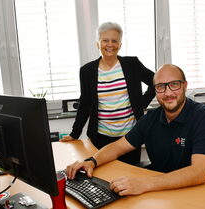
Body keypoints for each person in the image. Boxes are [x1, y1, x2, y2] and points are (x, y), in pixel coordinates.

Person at [66, 64, 205, 196]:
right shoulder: (151, 118)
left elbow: (200, 172)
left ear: (185, 85)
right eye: (161, 87)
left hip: (200, 193)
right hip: (164, 192)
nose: (168, 93)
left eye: (174, 84)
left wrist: (145, 184)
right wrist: (91, 161)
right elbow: (118, 147)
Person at [60, 22, 155, 165]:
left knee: (128, 176)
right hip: (101, 138)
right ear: (98, 44)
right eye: (105, 40)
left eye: (114, 41)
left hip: (130, 136)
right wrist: (74, 133)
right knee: (103, 178)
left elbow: (155, 82)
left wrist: (142, 103)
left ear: (120, 45)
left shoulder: (132, 64)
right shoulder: (87, 71)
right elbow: (85, 104)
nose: (110, 44)